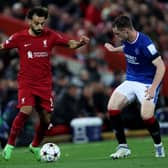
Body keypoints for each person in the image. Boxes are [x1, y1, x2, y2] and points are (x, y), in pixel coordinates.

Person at [0, 7, 89, 160]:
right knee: (25, 111)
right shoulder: (19, 37)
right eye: (37, 23)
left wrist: (80, 43)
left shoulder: (51, 35)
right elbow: (2, 46)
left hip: (44, 84)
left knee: (46, 120)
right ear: (29, 21)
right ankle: (9, 145)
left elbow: (70, 43)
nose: (40, 27)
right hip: (26, 82)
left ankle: (34, 146)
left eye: (43, 23)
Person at [104, 15, 166, 159]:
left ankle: (159, 146)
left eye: (118, 34)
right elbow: (127, 48)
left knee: (146, 115)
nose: (117, 37)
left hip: (148, 83)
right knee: (112, 107)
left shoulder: (145, 43)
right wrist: (114, 50)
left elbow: (161, 66)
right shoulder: (127, 40)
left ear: (126, 30)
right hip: (131, 80)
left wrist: (152, 88)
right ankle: (123, 147)